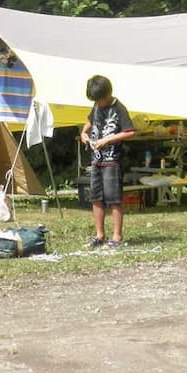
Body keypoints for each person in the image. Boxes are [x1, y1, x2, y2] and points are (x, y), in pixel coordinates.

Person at [79, 75, 136, 249]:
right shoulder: (96, 106)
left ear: (108, 94)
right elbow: (89, 121)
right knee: (96, 198)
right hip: (96, 161)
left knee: (114, 199)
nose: (98, 103)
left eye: (100, 99)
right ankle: (100, 235)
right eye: (95, 100)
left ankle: (117, 237)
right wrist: (84, 133)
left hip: (113, 161)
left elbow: (130, 132)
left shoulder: (119, 108)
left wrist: (108, 140)